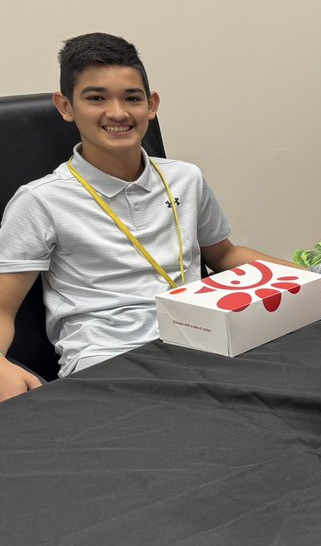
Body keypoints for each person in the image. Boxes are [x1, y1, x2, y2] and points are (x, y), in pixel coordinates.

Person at [0, 32, 290, 399]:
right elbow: (2, 309)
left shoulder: (185, 177)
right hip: (109, 360)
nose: (118, 112)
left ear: (151, 105)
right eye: (96, 98)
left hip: (203, 338)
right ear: (66, 106)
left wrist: (312, 275)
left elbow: (225, 255)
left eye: (131, 98)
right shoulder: (40, 201)